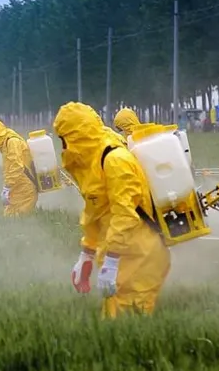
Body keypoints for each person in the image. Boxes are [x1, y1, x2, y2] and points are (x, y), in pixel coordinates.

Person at [53, 102, 170, 318]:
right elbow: (95, 210)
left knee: (129, 326)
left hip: (140, 257)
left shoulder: (114, 160)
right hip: (123, 255)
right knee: (114, 322)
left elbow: (125, 214)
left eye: (63, 139)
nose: (62, 146)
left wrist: (112, 260)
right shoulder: (93, 162)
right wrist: (87, 253)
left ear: (76, 136)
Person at [0, 117, 38, 217]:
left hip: (25, 188)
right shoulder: (5, 143)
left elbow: (17, 166)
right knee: (9, 217)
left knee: (19, 219)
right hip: (17, 186)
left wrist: (7, 187)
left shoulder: (12, 142)